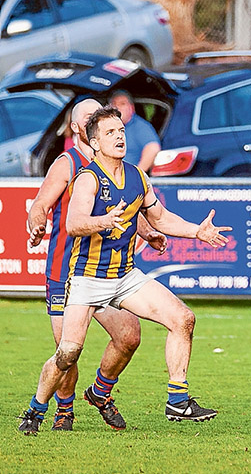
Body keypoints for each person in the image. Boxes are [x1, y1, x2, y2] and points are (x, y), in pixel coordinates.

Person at [19, 106, 232, 434]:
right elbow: (74, 223)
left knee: (182, 319)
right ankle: (36, 409)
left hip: (125, 276)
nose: (119, 137)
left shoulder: (136, 176)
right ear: (93, 142)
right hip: (87, 280)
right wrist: (101, 221)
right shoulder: (87, 178)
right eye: (110, 133)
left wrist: (195, 231)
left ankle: (177, 400)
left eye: (121, 131)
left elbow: (159, 217)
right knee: (68, 353)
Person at [26, 98, 167, 431]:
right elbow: (40, 204)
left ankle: (101, 392)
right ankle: (62, 410)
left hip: (107, 274)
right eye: (91, 118)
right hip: (67, 272)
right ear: (79, 128)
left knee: (129, 336)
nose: (100, 123)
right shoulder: (68, 164)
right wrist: (36, 223)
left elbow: (128, 210)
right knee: (68, 351)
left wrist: (147, 232)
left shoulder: (116, 166)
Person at [109, 90, 161, 172]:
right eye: (114, 104)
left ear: (132, 108)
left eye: (122, 104)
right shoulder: (105, 125)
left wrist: (137, 175)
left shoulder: (140, 127)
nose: (117, 108)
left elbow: (153, 148)